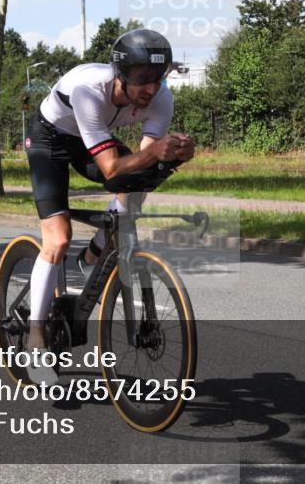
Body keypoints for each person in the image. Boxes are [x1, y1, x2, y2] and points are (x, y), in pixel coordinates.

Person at [23, 29, 195, 384]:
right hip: (50, 138)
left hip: (89, 137)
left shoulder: (162, 97)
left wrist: (174, 154)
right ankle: (35, 341)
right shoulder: (90, 91)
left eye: (157, 79)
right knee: (57, 239)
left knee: (133, 191)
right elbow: (111, 168)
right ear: (121, 75)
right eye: (142, 80)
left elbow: (141, 165)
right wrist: (153, 153)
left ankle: (94, 256)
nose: (151, 89)